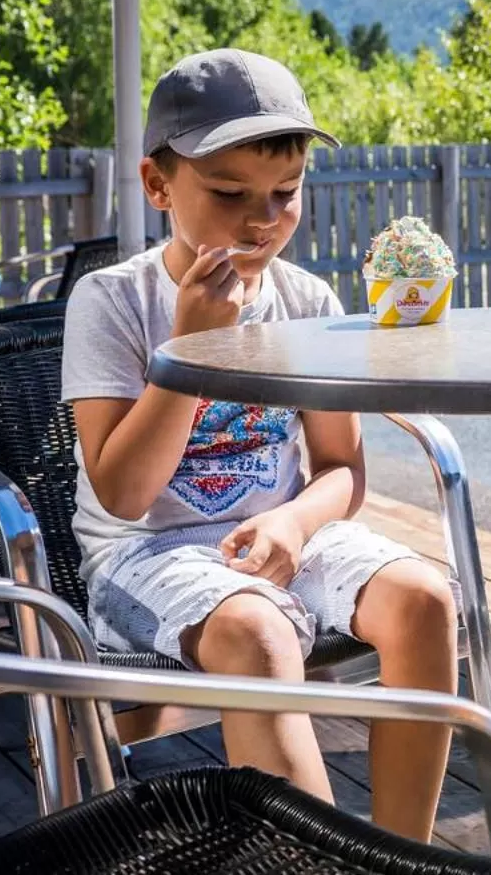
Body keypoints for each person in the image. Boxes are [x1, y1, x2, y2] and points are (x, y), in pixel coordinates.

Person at [62, 48, 458, 843]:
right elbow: (123, 493)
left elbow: (342, 469)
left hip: (281, 540)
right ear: (156, 184)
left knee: (426, 600)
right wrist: (187, 352)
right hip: (145, 558)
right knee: (261, 632)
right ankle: (319, 863)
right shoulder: (111, 301)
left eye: (285, 194)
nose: (260, 220)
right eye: (229, 193)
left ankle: (397, 855)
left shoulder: (306, 301)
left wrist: (294, 524)